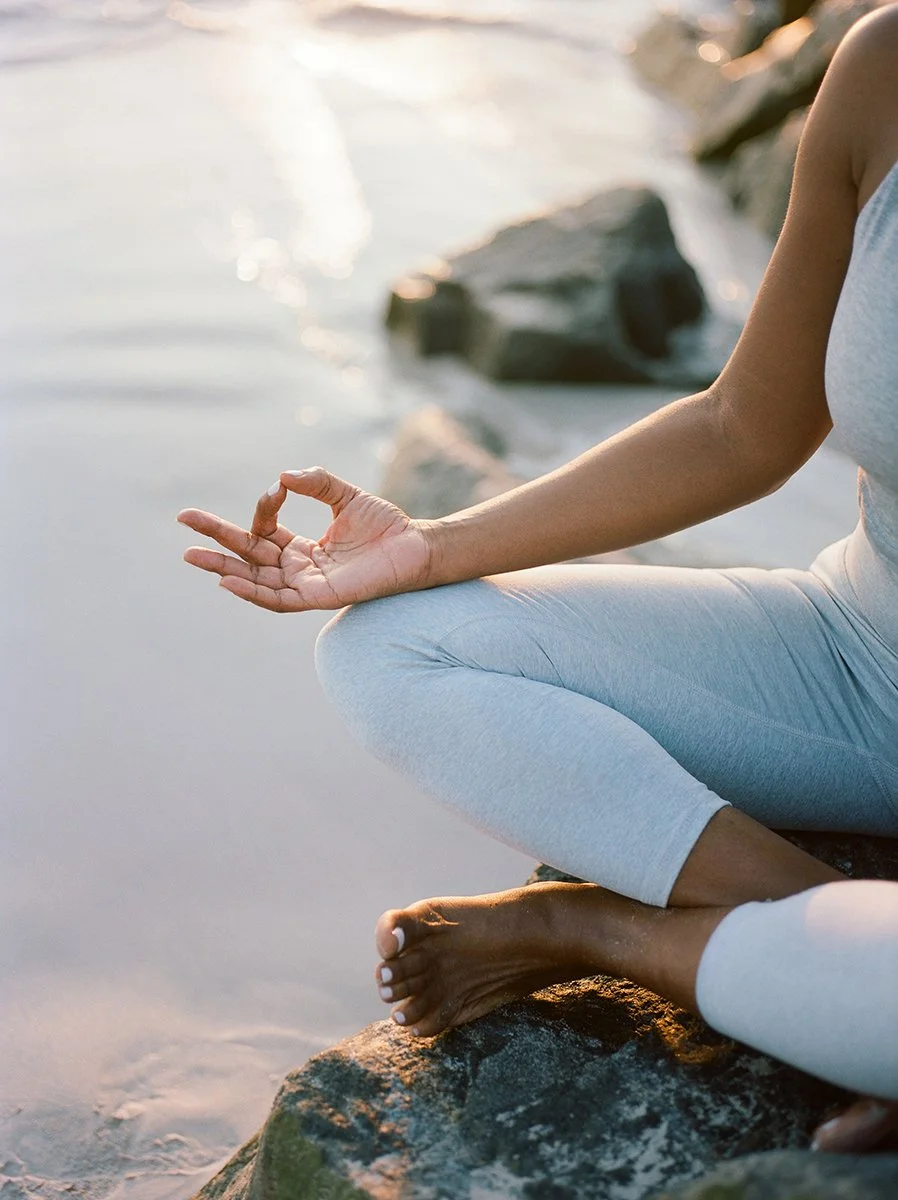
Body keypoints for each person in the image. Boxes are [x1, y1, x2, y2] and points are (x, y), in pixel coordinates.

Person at [178, 4, 898, 1153]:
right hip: (857, 651)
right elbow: (740, 428)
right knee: (390, 647)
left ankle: (608, 936)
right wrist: (433, 548)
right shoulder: (882, 64)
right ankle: (813, 932)